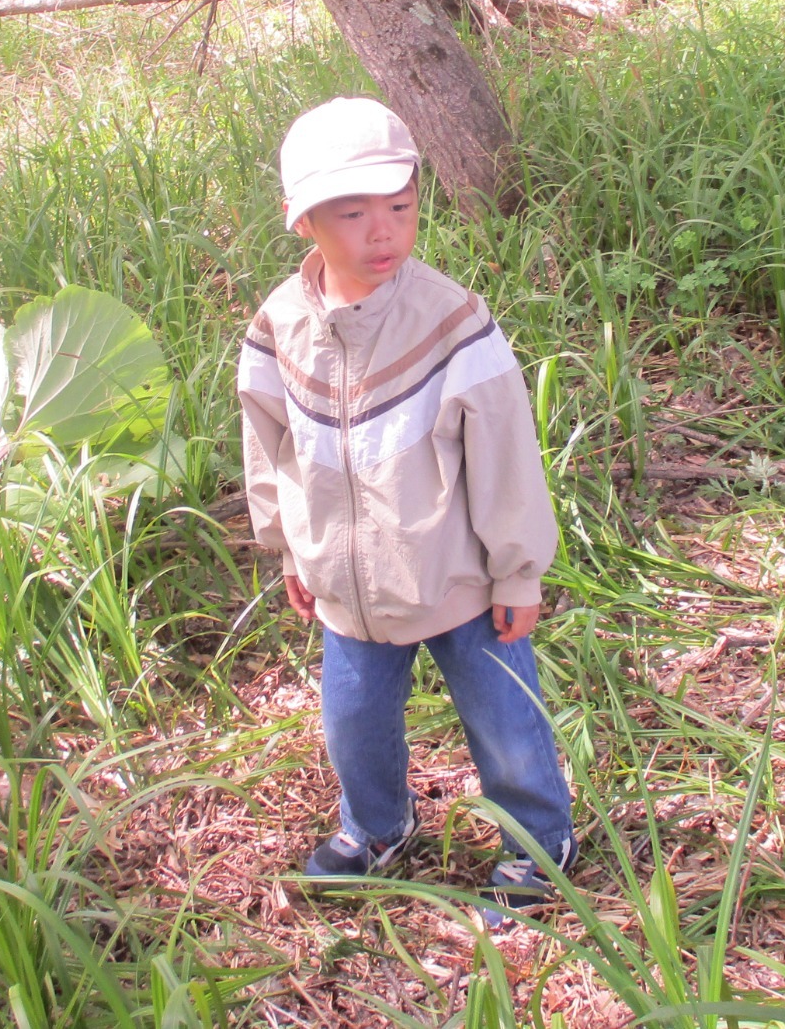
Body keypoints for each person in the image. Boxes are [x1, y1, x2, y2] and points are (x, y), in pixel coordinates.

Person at [236, 96, 575, 921]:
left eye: (400, 207)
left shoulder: (451, 320)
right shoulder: (281, 325)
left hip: (458, 578)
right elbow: (269, 442)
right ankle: (376, 829)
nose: (381, 233)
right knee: (353, 719)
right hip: (346, 588)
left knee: (502, 718)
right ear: (302, 219)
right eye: (352, 214)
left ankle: (537, 845)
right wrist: (288, 549)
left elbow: (504, 455)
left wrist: (517, 570)